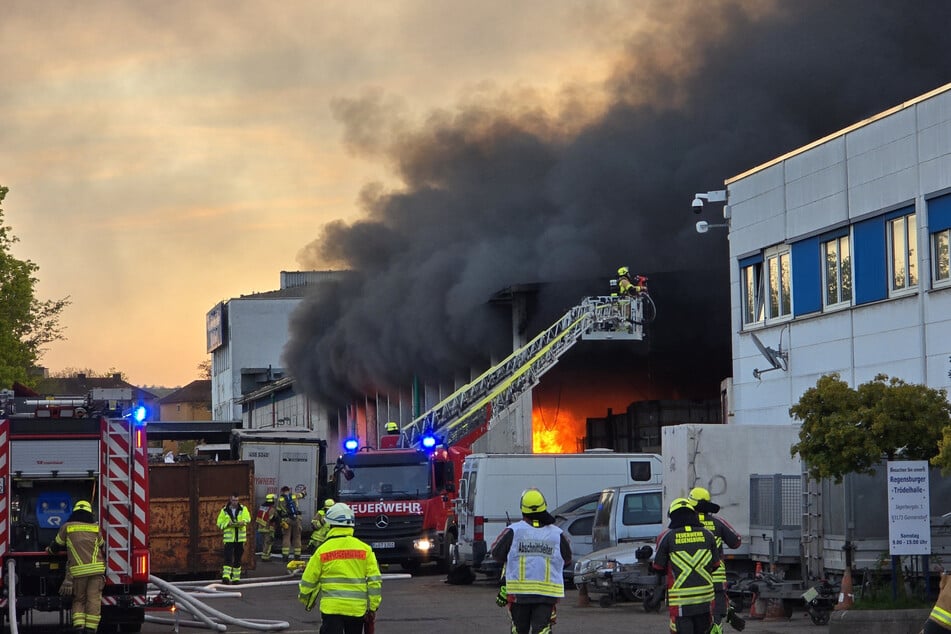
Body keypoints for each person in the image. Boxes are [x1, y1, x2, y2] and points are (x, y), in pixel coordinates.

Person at [490, 488, 572, 634]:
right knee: (542, 631)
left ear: (523, 509)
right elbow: (567, 560)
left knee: (519, 631)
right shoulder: (557, 534)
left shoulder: (513, 531)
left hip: (519, 594)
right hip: (547, 595)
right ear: (544, 506)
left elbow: (496, 554)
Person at [298, 502, 382, 634]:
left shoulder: (323, 550)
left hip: (331, 609)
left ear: (330, 523)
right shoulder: (365, 550)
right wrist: (373, 607)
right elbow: (374, 581)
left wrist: (305, 598)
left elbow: (308, 579)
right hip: (356, 609)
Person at [653, 497, 721, 634]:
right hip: (705, 599)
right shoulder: (708, 534)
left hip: (681, 602)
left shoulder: (666, 536)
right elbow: (716, 565)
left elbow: (658, 568)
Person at [688, 486, 742, 634]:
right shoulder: (718, 522)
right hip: (716, 579)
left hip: (691, 580)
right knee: (716, 615)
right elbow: (736, 542)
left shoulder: (683, 525)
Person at [47, 500, 105, 634]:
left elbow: (56, 546)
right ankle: (91, 629)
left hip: (78, 572)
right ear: (90, 514)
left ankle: (79, 627)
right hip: (97, 570)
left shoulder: (68, 527)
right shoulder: (95, 528)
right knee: (94, 599)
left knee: (79, 599)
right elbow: (102, 545)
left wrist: (49, 551)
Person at [216, 493, 251, 584]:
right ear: (230, 500)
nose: (235, 502)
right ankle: (226, 577)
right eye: (234, 500)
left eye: (237, 500)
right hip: (229, 539)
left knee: (238, 558)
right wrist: (227, 524)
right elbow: (219, 523)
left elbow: (248, 519)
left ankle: (236, 578)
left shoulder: (243, 509)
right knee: (228, 558)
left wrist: (242, 522)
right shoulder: (224, 510)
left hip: (240, 539)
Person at [277, 485, 307, 560]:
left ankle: (285, 556)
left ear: (282, 491)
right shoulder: (294, 496)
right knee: (297, 537)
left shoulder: (280, 499)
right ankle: (297, 556)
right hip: (296, 519)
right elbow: (303, 494)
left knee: (286, 536)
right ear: (288, 490)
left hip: (286, 520)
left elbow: (278, 510)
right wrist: (303, 492)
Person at [256, 493, 279, 561]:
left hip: (261, 527)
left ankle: (264, 555)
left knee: (264, 543)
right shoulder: (271, 508)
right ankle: (265, 557)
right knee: (268, 543)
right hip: (268, 528)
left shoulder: (262, 507)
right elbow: (272, 519)